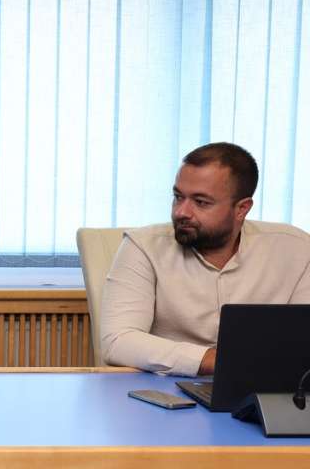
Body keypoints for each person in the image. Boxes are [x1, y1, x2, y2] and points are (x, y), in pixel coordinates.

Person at [101, 142, 310, 376]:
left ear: (242, 208)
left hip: (267, 386)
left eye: (201, 202)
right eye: (178, 197)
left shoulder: (297, 249)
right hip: (164, 387)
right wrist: (216, 360)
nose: (181, 212)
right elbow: (118, 341)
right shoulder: (143, 246)